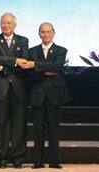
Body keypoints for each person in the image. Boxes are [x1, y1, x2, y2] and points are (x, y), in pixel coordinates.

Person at [0, 12, 29, 168]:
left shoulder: (23, 40)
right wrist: (15, 61)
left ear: (14, 25)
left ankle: (18, 157)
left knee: (19, 124)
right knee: (1, 124)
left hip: (18, 87)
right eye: (3, 23)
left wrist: (6, 66)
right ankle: (2, 157)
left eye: (9, 23)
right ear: (0, 24)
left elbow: (25, 60)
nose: (6, 25)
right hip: (1, 88)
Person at [26, 23, 70, 169]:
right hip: (37, 94)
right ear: (39, 34)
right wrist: (45, 68)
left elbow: (56, 66)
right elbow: (31, 72)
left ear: (53, 33)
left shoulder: (61, 50)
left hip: (55, 95)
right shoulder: (32, 51)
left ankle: (54, 161)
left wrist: (36, 65)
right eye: (42, 32)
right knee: (37, 130)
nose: (45, 34)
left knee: (54, 130)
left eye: (48, 32)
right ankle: (38, 162)